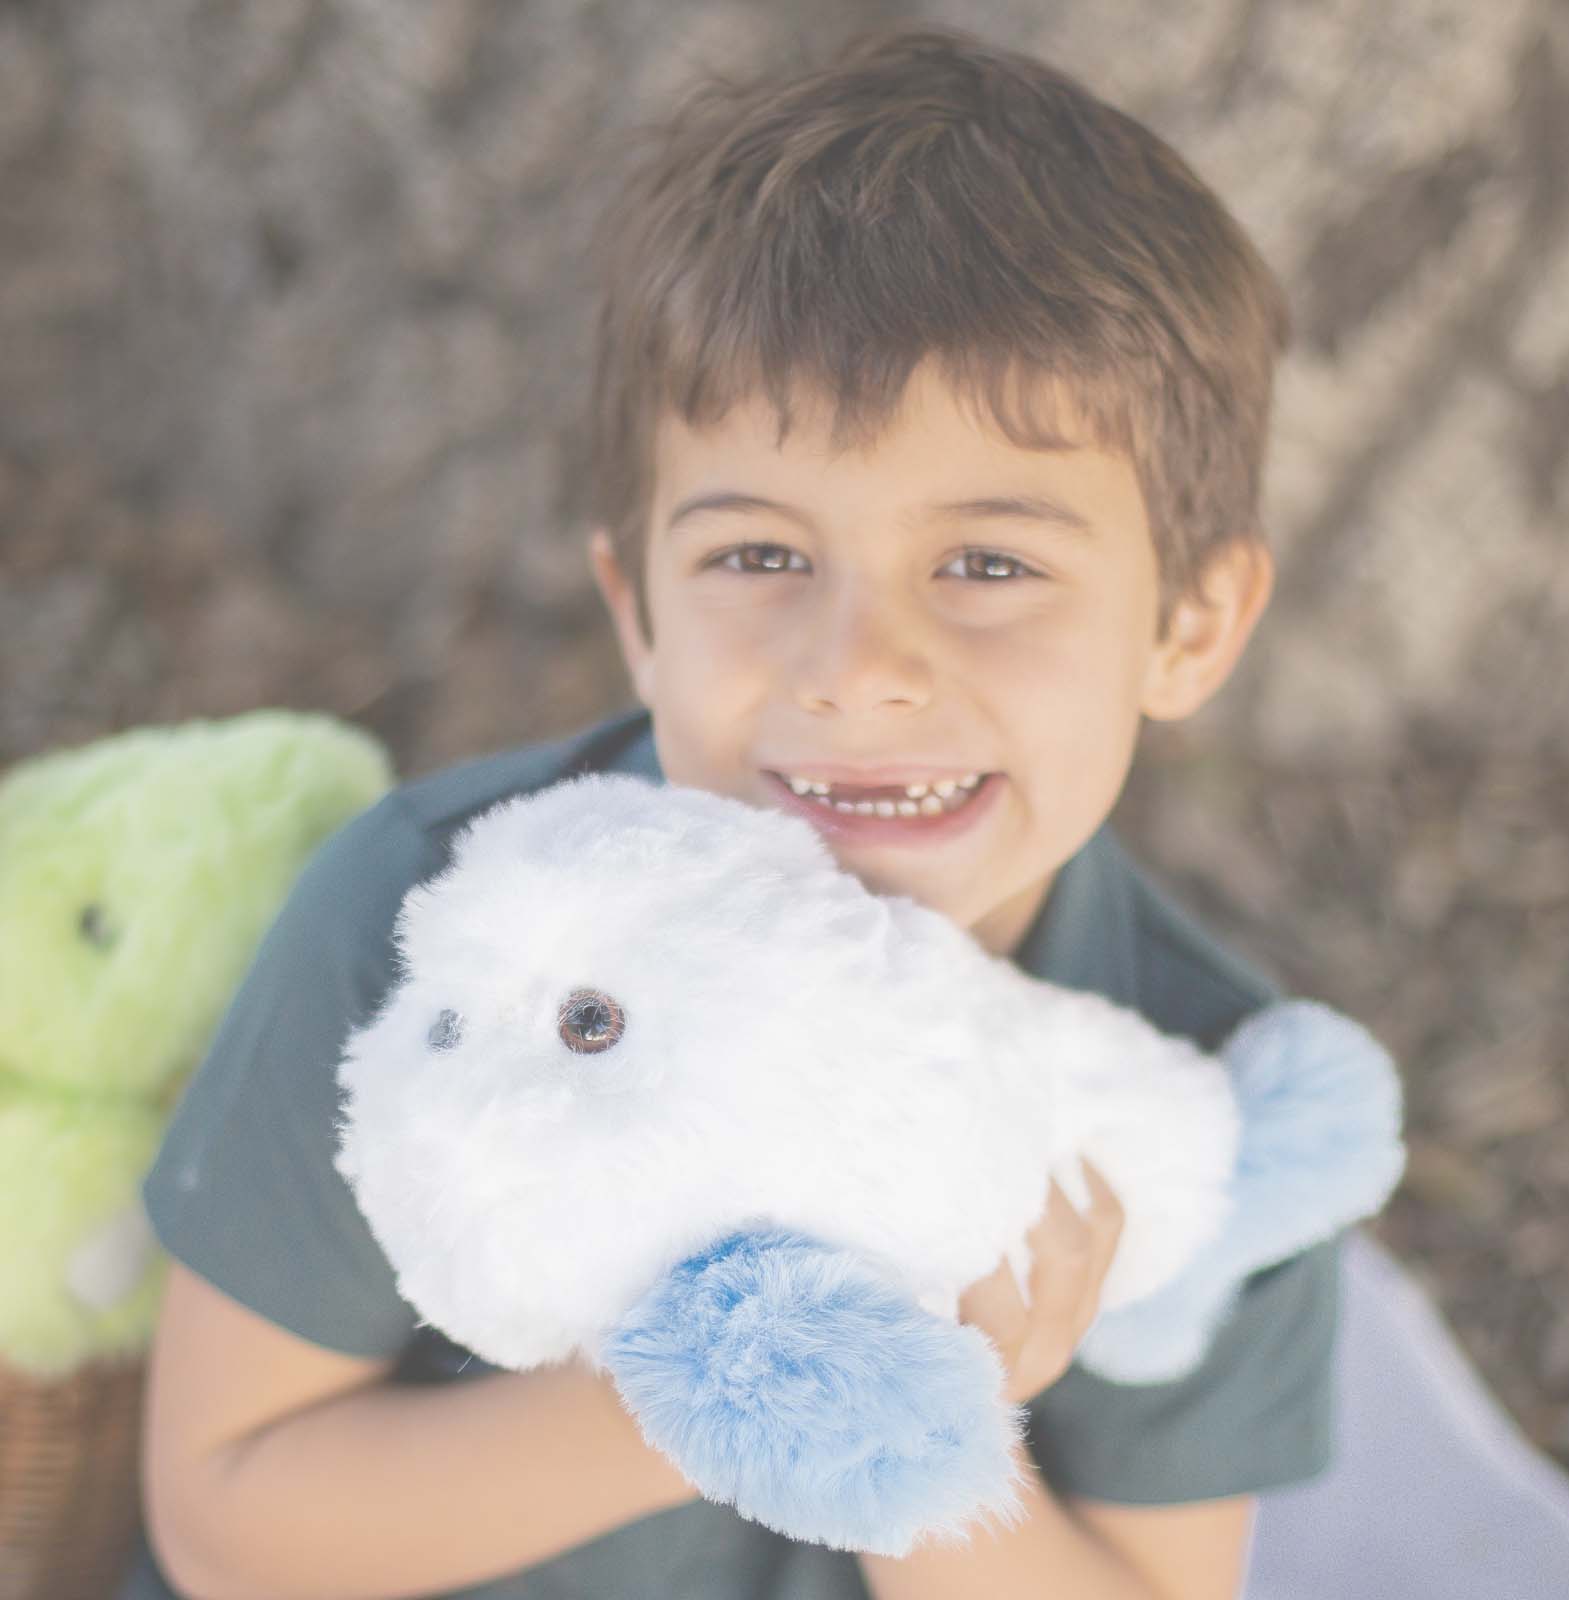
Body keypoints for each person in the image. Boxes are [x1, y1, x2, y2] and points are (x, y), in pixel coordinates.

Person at [127, 25, 1337, 1600]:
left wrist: (933, 1428)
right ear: (637, 608)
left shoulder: (1205, 1092)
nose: (858, 671)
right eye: (760, 556)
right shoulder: (440, 926)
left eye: (990, 563)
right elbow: (229, 1527)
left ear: (1189, 626)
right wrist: (754, 1383)